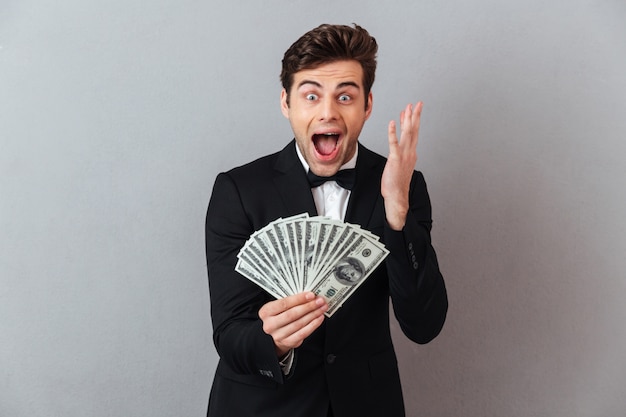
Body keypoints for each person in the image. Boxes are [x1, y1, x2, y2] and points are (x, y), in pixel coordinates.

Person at [205, 23, 448, 417]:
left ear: (367, 105)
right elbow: (230, 333)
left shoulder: (402, 185)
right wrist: (273, 341)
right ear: (286, 103)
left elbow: (424, 325)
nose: (328, 111)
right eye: (311, 95)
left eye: (345, 96)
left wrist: (397, 215)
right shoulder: (238, 190)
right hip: (262, 406)